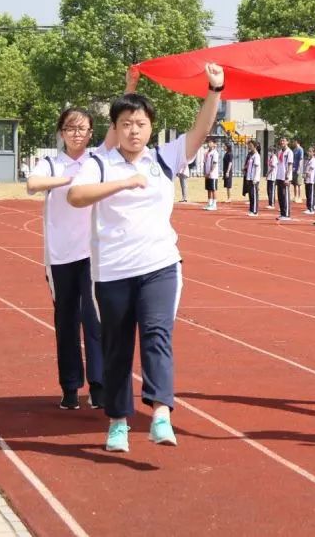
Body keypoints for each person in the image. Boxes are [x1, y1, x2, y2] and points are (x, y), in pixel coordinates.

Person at [67, 62, 224, 452]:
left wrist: (214, 89)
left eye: (140, 123)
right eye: (126, 124)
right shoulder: (99, 163)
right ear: (116, 128)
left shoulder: (165, 158)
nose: (133, 130)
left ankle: (160, 413)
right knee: (118, 346)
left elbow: (201, 130)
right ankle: (119, 422)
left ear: (150, 127)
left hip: (159, 266)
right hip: (112, 272)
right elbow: (75, 196)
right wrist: (121, 182)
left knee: (157, 335)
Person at [27, 106, 106, 410]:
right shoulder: (50, 163)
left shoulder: (97, 161)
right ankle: (70, 386)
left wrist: (130, 87)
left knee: (94, 319)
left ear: (90, 132)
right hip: (59, 256)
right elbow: (33, 185)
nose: (77, 134)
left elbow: (117, 128)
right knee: (66, 320)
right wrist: (69, 180)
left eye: (83, 128)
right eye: (70, 128)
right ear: (61, 133)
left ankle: (99, 385)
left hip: (93, 253)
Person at [274, 137, 294, 221]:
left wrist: (287, 177)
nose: (282, 142)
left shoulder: (289, 152)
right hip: (279, 176)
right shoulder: (279, 152)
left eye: (284, 141)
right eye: (281, 140)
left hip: (285, 177)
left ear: (287, 142)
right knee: (280, 196)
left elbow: (289, 165)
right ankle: (282, 213)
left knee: (285, 195)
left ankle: (286, 214)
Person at [243, 140, 262, 216]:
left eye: (250, 145)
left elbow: (257, 168)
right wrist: (245, 169)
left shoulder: (256, 156)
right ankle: (251, 210)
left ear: (254, 146)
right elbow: (249, 166)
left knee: (254, 195)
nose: (249, 147)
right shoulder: (251, 155)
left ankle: (255, 211)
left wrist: (255, 178)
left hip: (254, 179)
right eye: (248, 145)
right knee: (251, 195)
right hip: (249, 178)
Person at [203, 138, 219, 211]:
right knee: (208, 189)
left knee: (213, 189)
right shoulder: (206, 153)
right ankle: (209, 203)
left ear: (214, 144)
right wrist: (205, 172)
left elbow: (214, 163)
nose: (209, 144)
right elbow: (205, 163)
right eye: (208, 142)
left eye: (210, 142)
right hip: (207, 174)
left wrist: (210, 172)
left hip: (213, 174)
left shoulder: (215, 153)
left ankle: (214, 204)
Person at [291, 138, 304, 203]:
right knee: (294, 184)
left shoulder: (300, 149)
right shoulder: (294, 150)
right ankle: (295, 196)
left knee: (299, 184)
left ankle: (300, 197)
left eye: (294, 141)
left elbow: (301, 159)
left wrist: (299, 168)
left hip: (298, 169)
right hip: (294, 169)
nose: (293, 143)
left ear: (297, 141)